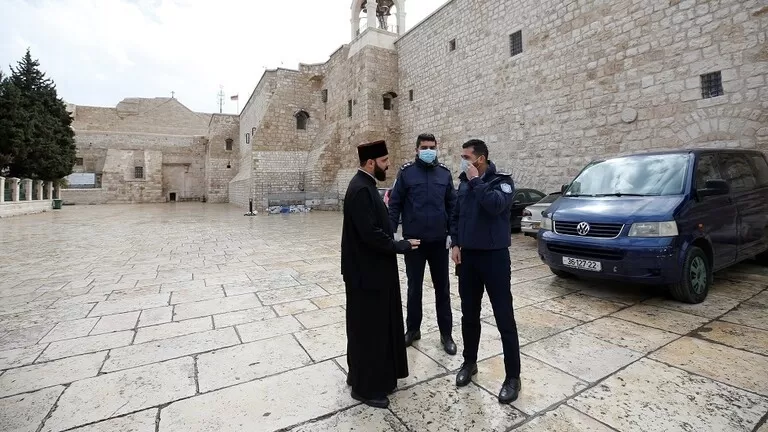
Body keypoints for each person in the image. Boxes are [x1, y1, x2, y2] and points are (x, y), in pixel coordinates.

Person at [341, 139, 421, 409]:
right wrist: (399, 245)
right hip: (366, 275)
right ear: (370, 162)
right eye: (384, 161)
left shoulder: (365, 185)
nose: (388, 165)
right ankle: (364, 389)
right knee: (368, 331)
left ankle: (363, 376)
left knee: (370, 328)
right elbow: (370, 234)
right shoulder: (360, 189)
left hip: (372, 272)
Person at [450, 138, 522, 404]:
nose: (463, 161)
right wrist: (454, 243)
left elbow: (495, 206)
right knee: (469, 315)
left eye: (466, 157)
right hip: (468, 259)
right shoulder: (463, 183)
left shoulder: (502, 182)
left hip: (494, 258)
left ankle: (512, 377)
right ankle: (469, 363)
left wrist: (476, 182)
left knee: (504, 318)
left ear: (480, 159)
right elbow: (456, 216)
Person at [388, 133, 457, 355]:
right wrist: (391, 234)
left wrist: (453, 234)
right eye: (424, 147)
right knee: (414, 288)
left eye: (432, 147)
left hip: (438, 242)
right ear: (416, 149)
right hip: (414, 243)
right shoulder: (406, 173)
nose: (429, 151)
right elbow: (395, 204)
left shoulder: (444, 173)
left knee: (442, 289)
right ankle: (413, 329)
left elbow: (452, 206)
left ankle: (446, 334)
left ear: (437, 148)